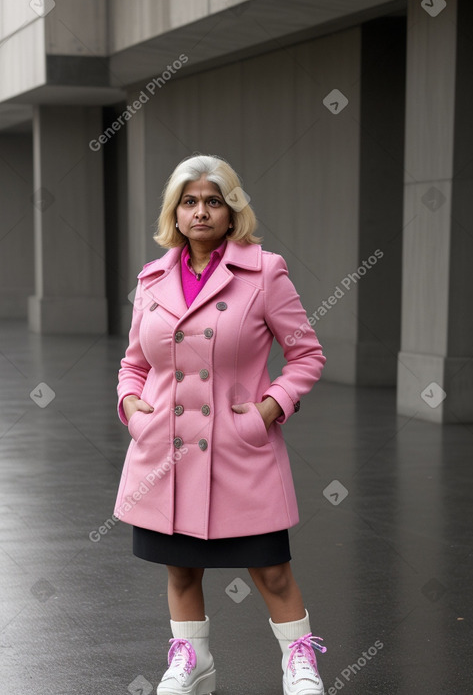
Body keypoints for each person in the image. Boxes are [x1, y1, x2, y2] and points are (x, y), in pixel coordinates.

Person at [114, 154, 327, 695]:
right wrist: (132, 407)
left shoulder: (265, 272)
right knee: (181, 570)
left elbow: (306, 355)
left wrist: (269, 410)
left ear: (232, 213)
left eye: (214, 201)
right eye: (189, 202)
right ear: (175, 213)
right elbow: (134, 362)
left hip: (240, 448)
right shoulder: (152, 278)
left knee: (272, 570)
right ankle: (193, 661)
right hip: (165, 450)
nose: (201, 212)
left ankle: (299, 664)